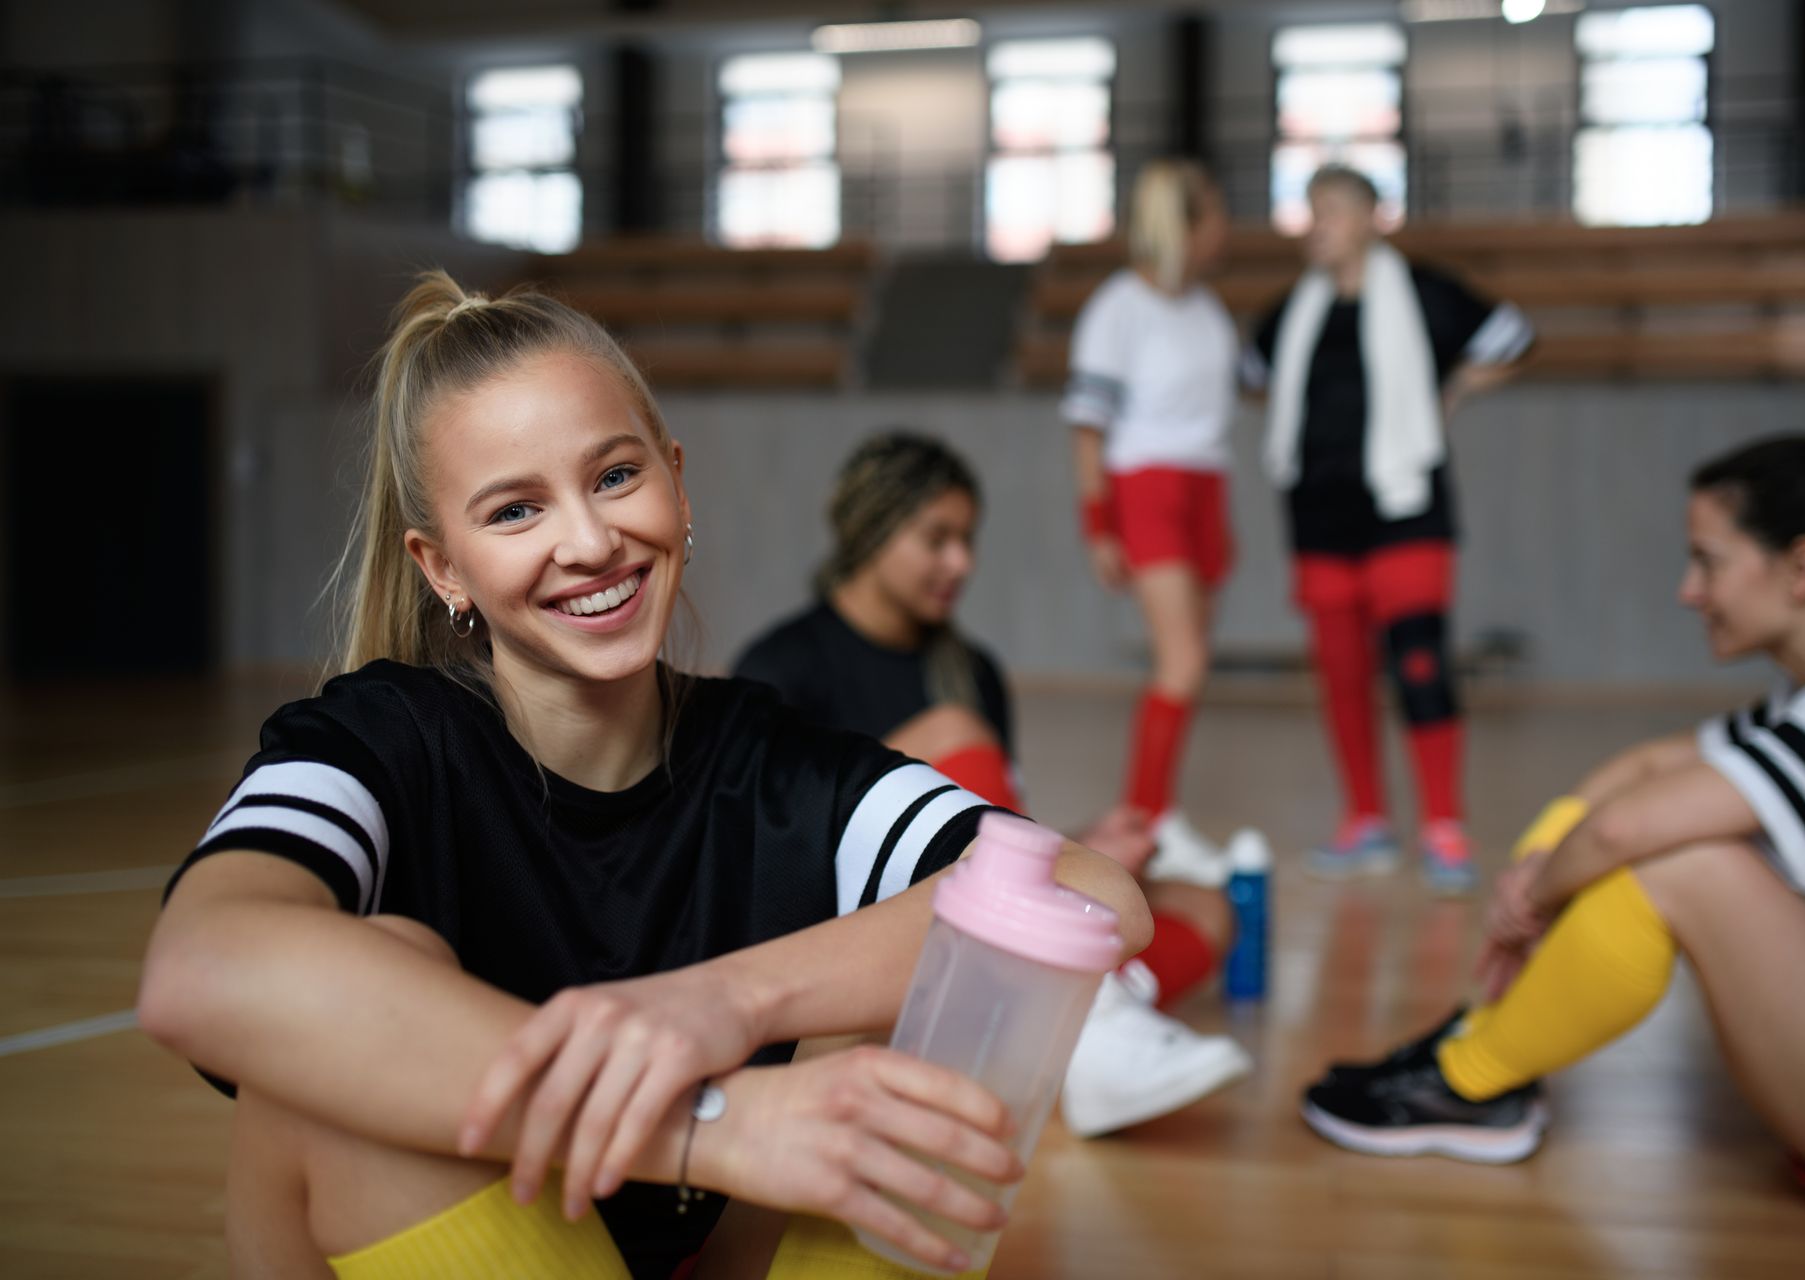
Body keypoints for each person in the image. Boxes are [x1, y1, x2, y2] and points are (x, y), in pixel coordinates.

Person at [137, 272, 1150, 1279]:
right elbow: (199, 968)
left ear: (675, 478)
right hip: (492, 1223)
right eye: (514, 510)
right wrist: (705, 1119)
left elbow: (1097, 895)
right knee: (337, 1038)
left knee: (894, 999)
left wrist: (725, 1002)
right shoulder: (382, 740)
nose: (589, 541)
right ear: (442, 568)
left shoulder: (769, 762)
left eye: (615, 476)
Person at [1299, 435, 1805, 1226]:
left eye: (1708, 562)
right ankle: (1486, 1048)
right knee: (1623, 824)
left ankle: (1475, 1077)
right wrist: (1540, 858)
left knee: (1685, 858)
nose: (1688, 591)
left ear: (1801, 569)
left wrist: (1527, 904)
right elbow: (1643, 770)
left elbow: (1632, 827)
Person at [736, 431, 1251, 1139]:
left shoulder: (971, 667)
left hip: (975, 932)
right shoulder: (781, 666)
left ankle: (1050, 1034)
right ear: (873, 530)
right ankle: (1087, 1024)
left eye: (968, 540)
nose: (962, 563)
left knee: (1206, 908)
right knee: (952, 730)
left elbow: (991, 832)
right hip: (856, 935)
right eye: (938, 538)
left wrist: (1082, 846)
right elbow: (766, 856)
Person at [1245, 164, 1533, 892]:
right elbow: (1252, 375)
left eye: (1334, 210)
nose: (1320, 224)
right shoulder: (1289, 313)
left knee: (1419, 664)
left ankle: (1443, 826)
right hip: (1317, 516)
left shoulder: (1428, 295)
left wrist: (1459, 387)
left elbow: (1513, 336)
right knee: (1342, 675)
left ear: (1375, 218)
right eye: (1311, 211)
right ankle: (1365, 822)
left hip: (1408, 510)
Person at [1063, 157, 1240, 875]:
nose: (1227, 229)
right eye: (1217, 215)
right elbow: (1086, 428)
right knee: (1183, 662)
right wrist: (1099, 526)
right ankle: (1146, 821)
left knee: (1191, 663)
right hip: (1148, 487)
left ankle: (1154, 816)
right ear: (1187, 225)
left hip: (1206, 486)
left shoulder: (1207, 308)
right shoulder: (1118, 308)